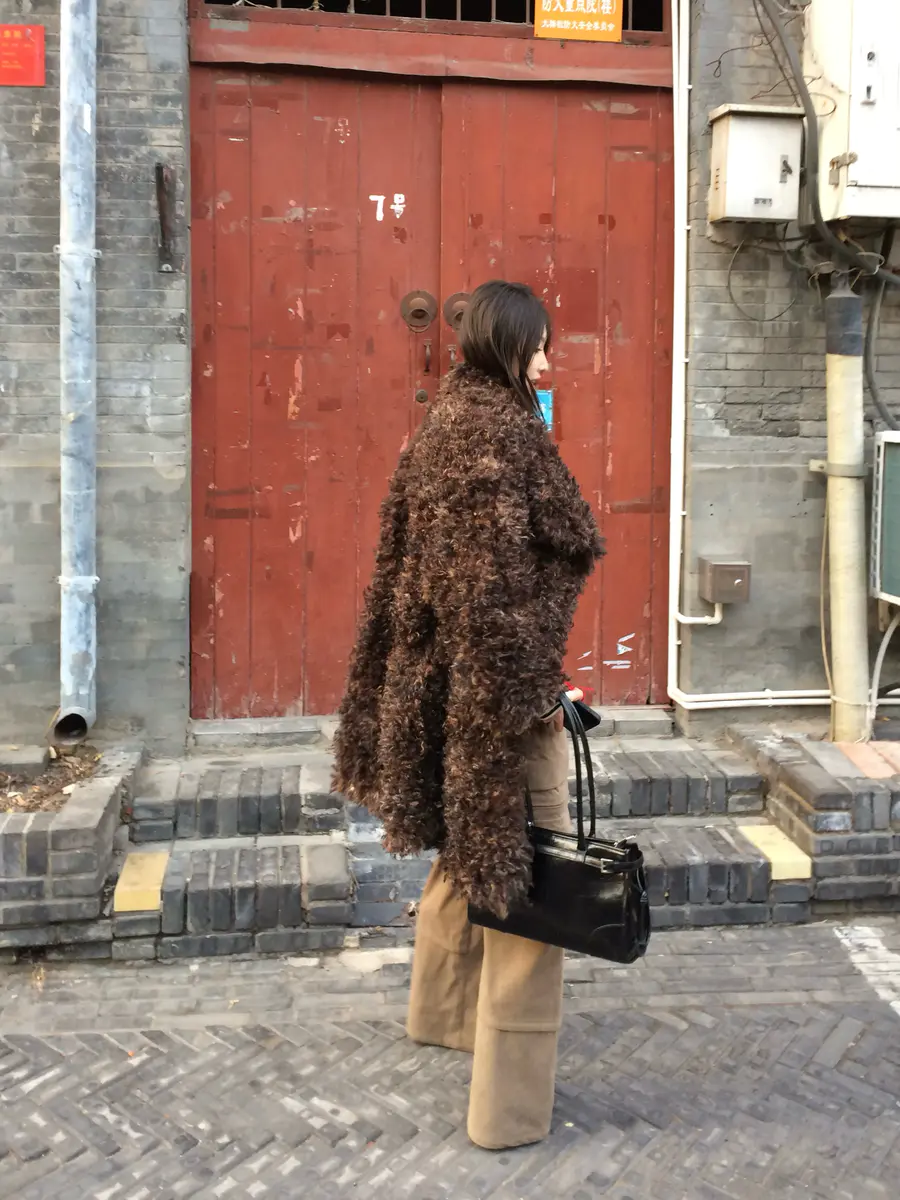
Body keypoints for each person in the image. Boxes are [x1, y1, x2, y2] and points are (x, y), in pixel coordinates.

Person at [333, 280, 604, 1149]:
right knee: (530, 883)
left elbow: (453, 583)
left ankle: (443, 1015)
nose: (548, 361)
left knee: (468, 849)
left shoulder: (452, 422)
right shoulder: (494, 438)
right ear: (507, 347)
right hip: (499, 702)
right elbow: (482, 595)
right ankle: (508, 1113)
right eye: (539, 346)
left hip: (459, 688)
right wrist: (533, 693)